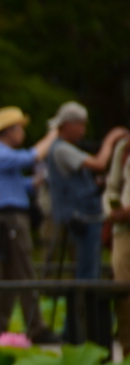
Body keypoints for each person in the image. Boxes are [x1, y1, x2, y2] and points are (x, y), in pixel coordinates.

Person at [46, 101, 129, 341]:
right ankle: (80, 333)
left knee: (87, 275)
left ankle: (78, 330)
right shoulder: (61, 148)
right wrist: (111, 140)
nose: (83, 130)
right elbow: (98, 163)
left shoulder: (65, 148)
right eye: (81, 125)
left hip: (86, 216)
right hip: (81, 219)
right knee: (87, 278)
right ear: (68, 124)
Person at [0, 106, 60, 343]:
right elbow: (32, 156)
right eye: (20, 128)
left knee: (9, 277)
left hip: (10, 216)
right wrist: (54, 133)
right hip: (11, 218)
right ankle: (36, 327)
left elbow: (17, 185)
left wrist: (34, 182)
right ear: (9, 130)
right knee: (24, 270)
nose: (22, 134)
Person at [106, 135, 130, 357]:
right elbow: (112, 186)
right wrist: (111, 209)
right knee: (123, 292)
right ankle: (126, 352)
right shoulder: (124, 147)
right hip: (123, 231)